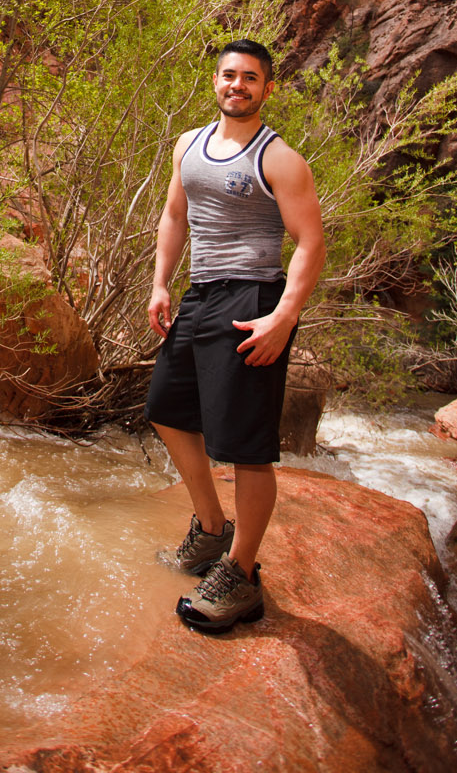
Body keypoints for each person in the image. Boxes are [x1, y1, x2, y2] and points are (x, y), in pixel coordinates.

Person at [145, 38, 325, 632]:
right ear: (215, 82)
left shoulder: (280, 159)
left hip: (254, 300)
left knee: (245, 447)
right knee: (167, 409)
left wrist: (284, 316)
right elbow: (175, 215)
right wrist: (161, 283)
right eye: (229, 75)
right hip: (201, 294)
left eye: (251, 77)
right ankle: (212, 530)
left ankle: (242, 577)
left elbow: (310, 245)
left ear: (266, 89)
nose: (237, 85)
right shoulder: (187, 145)